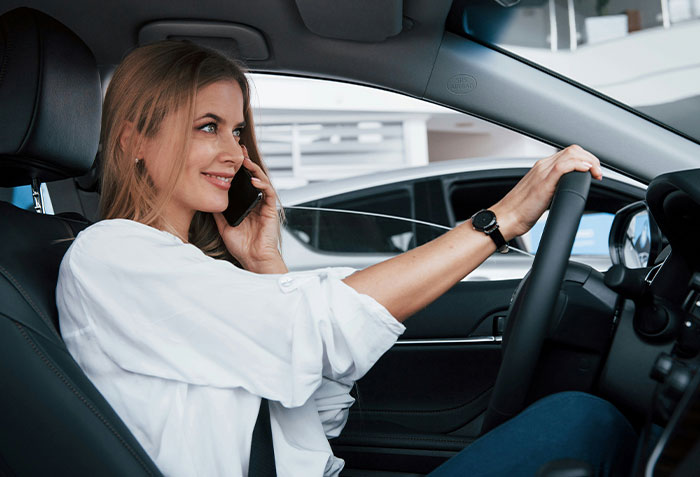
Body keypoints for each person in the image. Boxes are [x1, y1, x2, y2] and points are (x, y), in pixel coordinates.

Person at [56, 41, 635, 477]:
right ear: (132, 140)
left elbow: (317, 417)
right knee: (583, 423)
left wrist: (265, 267)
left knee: (579, 420)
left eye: (236, 131)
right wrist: (498, 222)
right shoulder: (110, 255)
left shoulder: (193, 271)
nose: (235, 152)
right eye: (209, 127)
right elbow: (320, 329)